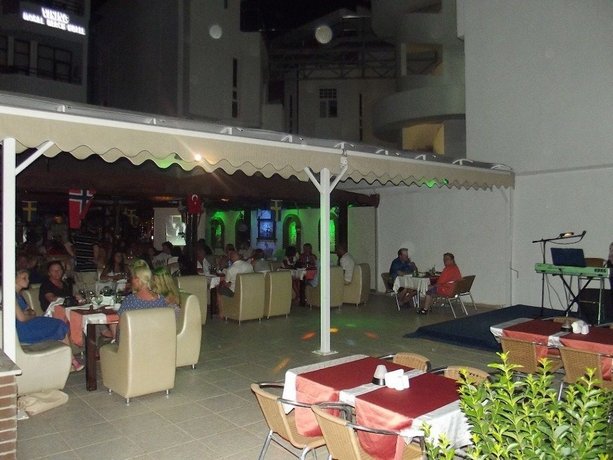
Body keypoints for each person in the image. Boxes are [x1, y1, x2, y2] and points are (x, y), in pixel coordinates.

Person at [16, 269, 84, 371]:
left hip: (28, 323)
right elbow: (21, 318)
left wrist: (29, 314)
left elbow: (31, 311)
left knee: (60, 324)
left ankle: (69, 360)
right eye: (24, 278)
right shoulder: (11, 296)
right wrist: (29, 315)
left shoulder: (19, 295)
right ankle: (71, 360)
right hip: (22, 329)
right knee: (59, 325)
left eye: (28, 278)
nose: (28, 280)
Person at [113, 260, 170, 340]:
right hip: (156, 341)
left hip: (134, 343)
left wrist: (116, 339)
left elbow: (121, 326)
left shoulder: (130, 300)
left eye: (132, 278)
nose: (131, 281)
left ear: (137, 280)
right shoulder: (161, 300)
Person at [66, 223, 100, 294]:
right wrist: (95, 259)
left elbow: (66, 244)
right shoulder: (93, 237)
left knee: (80, 291)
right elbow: (96, 248)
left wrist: (73, 255)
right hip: (89, 267)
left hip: (79, 266)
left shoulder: (76, 237)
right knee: (91, 291)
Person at [217, 250, 254, 315]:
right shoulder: (249, 265)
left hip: (235, 292)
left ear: (231, 258)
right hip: (248, 289)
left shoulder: (231, 269)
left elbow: (227, 284)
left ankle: (222, 313)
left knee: (219, 290)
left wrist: (223, 282)